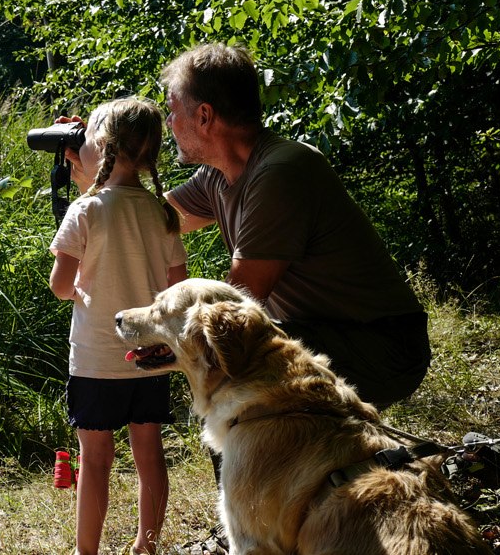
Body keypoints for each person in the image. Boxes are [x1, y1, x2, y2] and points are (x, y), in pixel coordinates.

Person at [160, 42, 431, 410]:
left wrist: (164, 329)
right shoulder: (217, 176)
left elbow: (238, 299)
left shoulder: (280, 172)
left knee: (229, 356)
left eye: (172, 111)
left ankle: (264, 468)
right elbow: (149, 221)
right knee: (229, 352)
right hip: (329, 334)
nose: (168, 124)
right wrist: (103, 163)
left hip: (380, 346)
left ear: (205, 115)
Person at [50, 97, 188, 555]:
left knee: (95, 460)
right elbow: (177, 291)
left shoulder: (85, 211)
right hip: (149, 357)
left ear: (103, 145)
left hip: (94, 358)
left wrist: (83, 292)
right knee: (150, 453)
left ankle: (86, 552)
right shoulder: (162, 213)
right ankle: (146, 546)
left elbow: (60, 285)